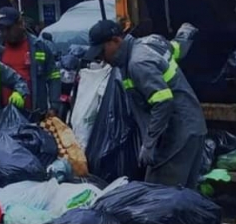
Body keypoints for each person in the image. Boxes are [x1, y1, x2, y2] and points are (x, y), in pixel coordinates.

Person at [85, 20, 207, 189]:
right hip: (190, 126)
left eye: (102, 52)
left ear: (116, 41)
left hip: (177, 133)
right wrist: (184, 36)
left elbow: (163, 102)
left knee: (159, 197)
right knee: (183, 196)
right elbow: (176, 50)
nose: (102, 59)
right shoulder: (149, 43)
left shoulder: (138, 63)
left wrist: (149, 144)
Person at [0, 7, 61, 115]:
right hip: (4, 116)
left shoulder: (39, 47)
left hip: (34, 114)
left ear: (20, 24)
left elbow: (53, 76)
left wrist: (54, 106)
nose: (4, 33)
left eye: (8, 28)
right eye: (1, 29)